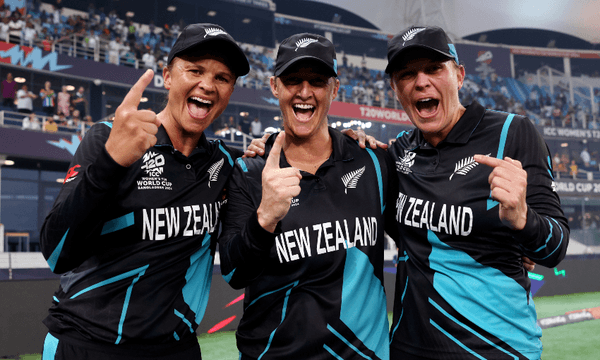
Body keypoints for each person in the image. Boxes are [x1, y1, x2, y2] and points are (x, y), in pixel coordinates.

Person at [39, 23, 251, 359]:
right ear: (167, 76)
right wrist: (111, 162)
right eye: (195, 70)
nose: (207, 85)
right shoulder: (109, 138)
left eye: (222, 78)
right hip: (86, 344)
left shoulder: (225, 163)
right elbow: (57, 253)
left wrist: (352, 143)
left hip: (175, 349)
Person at [384, 26, 569, 360]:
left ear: (459, 75)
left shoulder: (512, 132)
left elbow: (554, 248)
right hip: (410, 349)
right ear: (396, 89)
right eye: (406, 74)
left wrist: (523, 219)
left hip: (497, 348)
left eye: (434, 69)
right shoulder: (397, 153)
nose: (421, 81)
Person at [218, 33, 392, 360]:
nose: (304, 91)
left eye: (317, 81)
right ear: (274, 87)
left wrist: (520, 235)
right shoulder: (250, 170)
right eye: (293, 80)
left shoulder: (373, 161)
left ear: (335, 89)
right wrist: (265, 218)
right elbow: (231, 273)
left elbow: (423, 232)